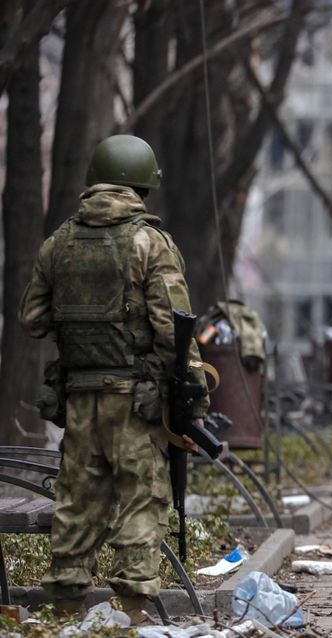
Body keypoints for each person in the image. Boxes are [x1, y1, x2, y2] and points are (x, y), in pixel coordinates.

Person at [19, 134, 209, 624]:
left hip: (79, 399)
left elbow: (33, 319)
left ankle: (64, 611)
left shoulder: (59, 242)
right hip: (136, 403)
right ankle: (134, 614)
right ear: (143, 181)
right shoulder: (150, 242)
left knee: (77, 504)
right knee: (142, 504)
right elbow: (174, 327)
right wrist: (194, 396)